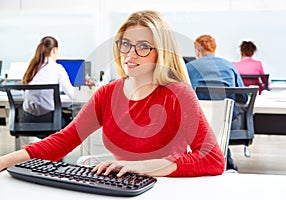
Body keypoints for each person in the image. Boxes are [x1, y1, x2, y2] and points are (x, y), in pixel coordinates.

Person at [0, 10, 225, 177]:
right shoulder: (107, 94)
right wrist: (5, 161)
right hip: (121, 185)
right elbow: (64, 141)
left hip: (165, 188)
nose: (130, 54)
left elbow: (213, 159)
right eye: (125, 44)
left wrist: (141, 167)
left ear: (162, 52)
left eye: (143, 46)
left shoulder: (178, 94)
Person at [186, 34, 247, 171]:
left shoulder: (189, 67)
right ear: (214, 49)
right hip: (227, 120)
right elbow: (243, 97)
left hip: (200, 121)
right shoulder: (229, 66)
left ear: (197, 51)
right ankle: (226, 161)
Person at [21, 36, 74, 126]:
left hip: (27, 120)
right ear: (54, 50)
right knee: (71, 119)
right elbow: (72, 95)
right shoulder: (57, 68)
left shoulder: (31, 68)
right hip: (50, 120)